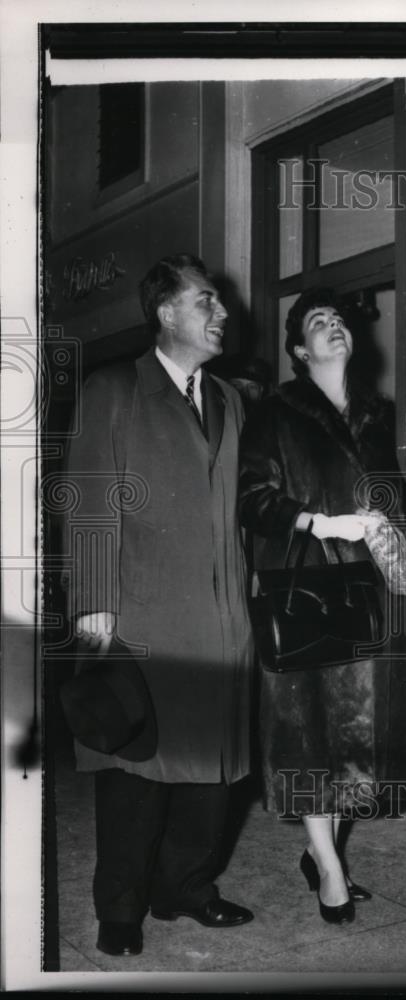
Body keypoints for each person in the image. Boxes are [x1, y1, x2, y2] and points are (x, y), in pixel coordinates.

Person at [62, 254, 254, 957]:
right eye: (207, 302)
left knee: (215, 771)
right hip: (143, 614)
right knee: (138, 771)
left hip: (224, 618)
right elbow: (87, 500)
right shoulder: (115, 388)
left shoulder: (231, 400)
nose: (221, 314)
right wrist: (93, 603)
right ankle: (121, 907)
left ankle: (187, 889)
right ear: (166, 312)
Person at [239, 287, 406, 925]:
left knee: (352, 739)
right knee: (306, 734)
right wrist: (319, 523)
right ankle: (332, 869)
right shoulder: (275, 412)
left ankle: (323, 852)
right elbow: (252, 500)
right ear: (298, 350)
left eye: (339, 320)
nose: (334, 327)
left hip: (368, 594)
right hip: (308, 589)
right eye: (319, 322)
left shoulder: (384, 416)